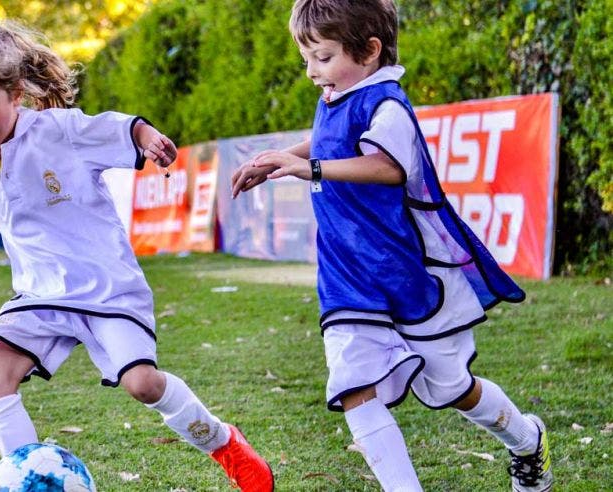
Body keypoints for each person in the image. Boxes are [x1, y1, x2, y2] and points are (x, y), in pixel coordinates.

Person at [0, 22, 274, 491]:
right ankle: (26, 480)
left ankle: (222, 442)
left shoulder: (59, 131)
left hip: (106, 289)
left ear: (16, 94)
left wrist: (145, 137)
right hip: (39, 295)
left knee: (143, 385)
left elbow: (118, 128)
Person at [231, 1, 551, 491]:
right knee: (353, 386)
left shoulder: (386, 103)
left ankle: (527, 440)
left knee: (452, 389)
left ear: (370, 51)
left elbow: (388, 166)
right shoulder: (339, 95)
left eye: (323, 57)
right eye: (307, 59)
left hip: (405, 274)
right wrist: (279, 160)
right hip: (346, 277)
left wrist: (308, 168)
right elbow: (328, 140)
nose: (313, 72)